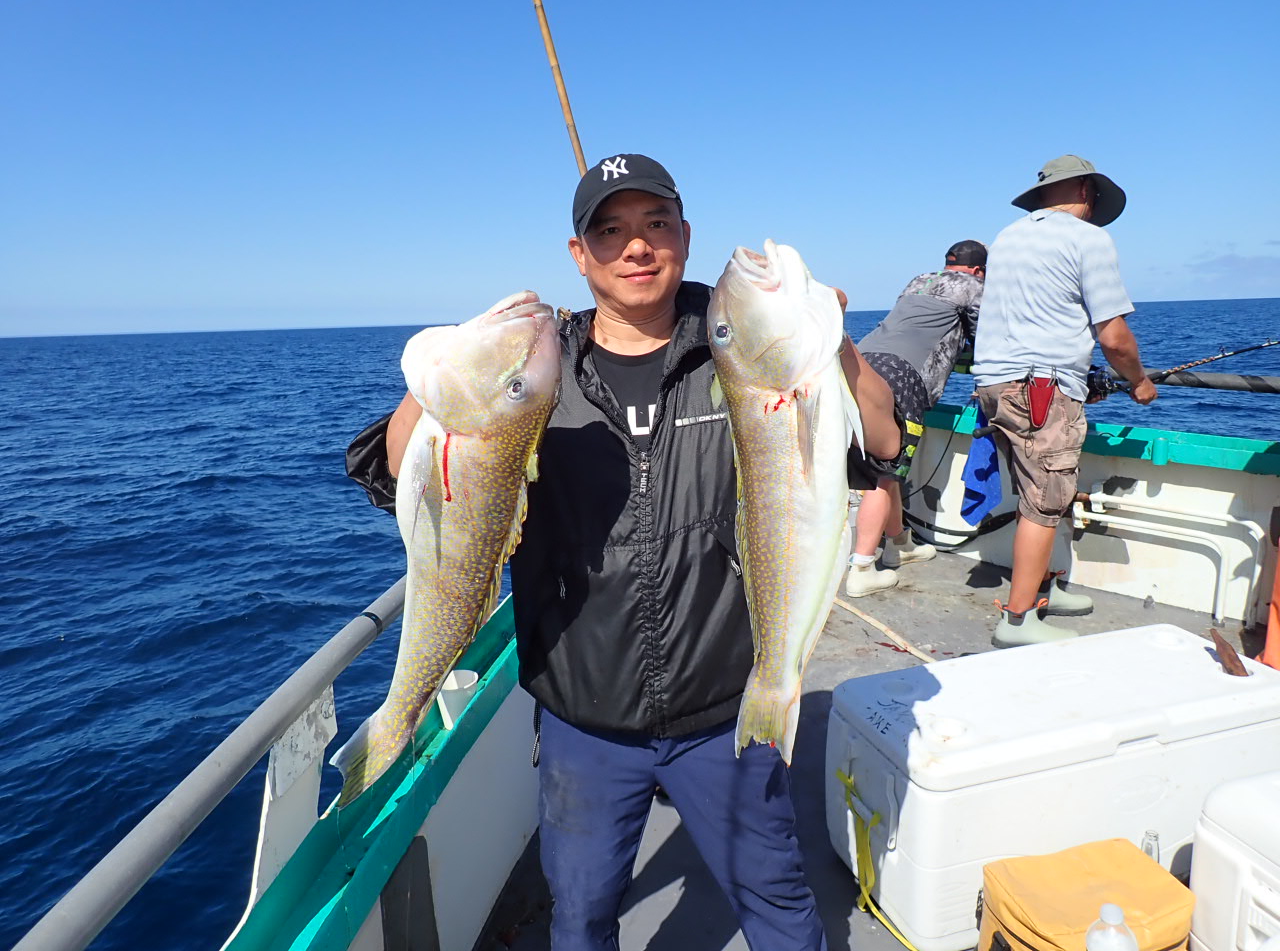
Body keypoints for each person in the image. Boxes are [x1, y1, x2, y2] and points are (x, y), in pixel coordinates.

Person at [348, 153, 901, 950]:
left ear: (684, 236)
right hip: (584, 718)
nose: (634, 247)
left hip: (724, 707)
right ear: (580, 257)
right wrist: (450, 377)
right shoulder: (540, 367)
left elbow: (880, 440)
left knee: (780, 905)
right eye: (609, 232)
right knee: (580, 917)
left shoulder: (737, 341)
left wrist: (834, 345)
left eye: (654, 226)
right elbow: (396, 468)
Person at [972, 154, 1157, 647]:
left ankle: (1043, 591)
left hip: (994, 385)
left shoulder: (1007, 237)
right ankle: (1017, 621)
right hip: (1040, 389)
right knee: (1045, 499)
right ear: (1086, 191)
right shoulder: (1089, 238)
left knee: (1039, 493)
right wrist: (1139, 382)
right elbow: (1114, 337)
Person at [845, 240, 987, 596]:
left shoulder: (918, 281)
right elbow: (986, 336)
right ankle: (862, 567)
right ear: (979, 271)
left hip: (862, 361)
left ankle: (899, 545)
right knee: (886, 467)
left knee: (878, 468)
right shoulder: (974, 287)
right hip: (901, 374)